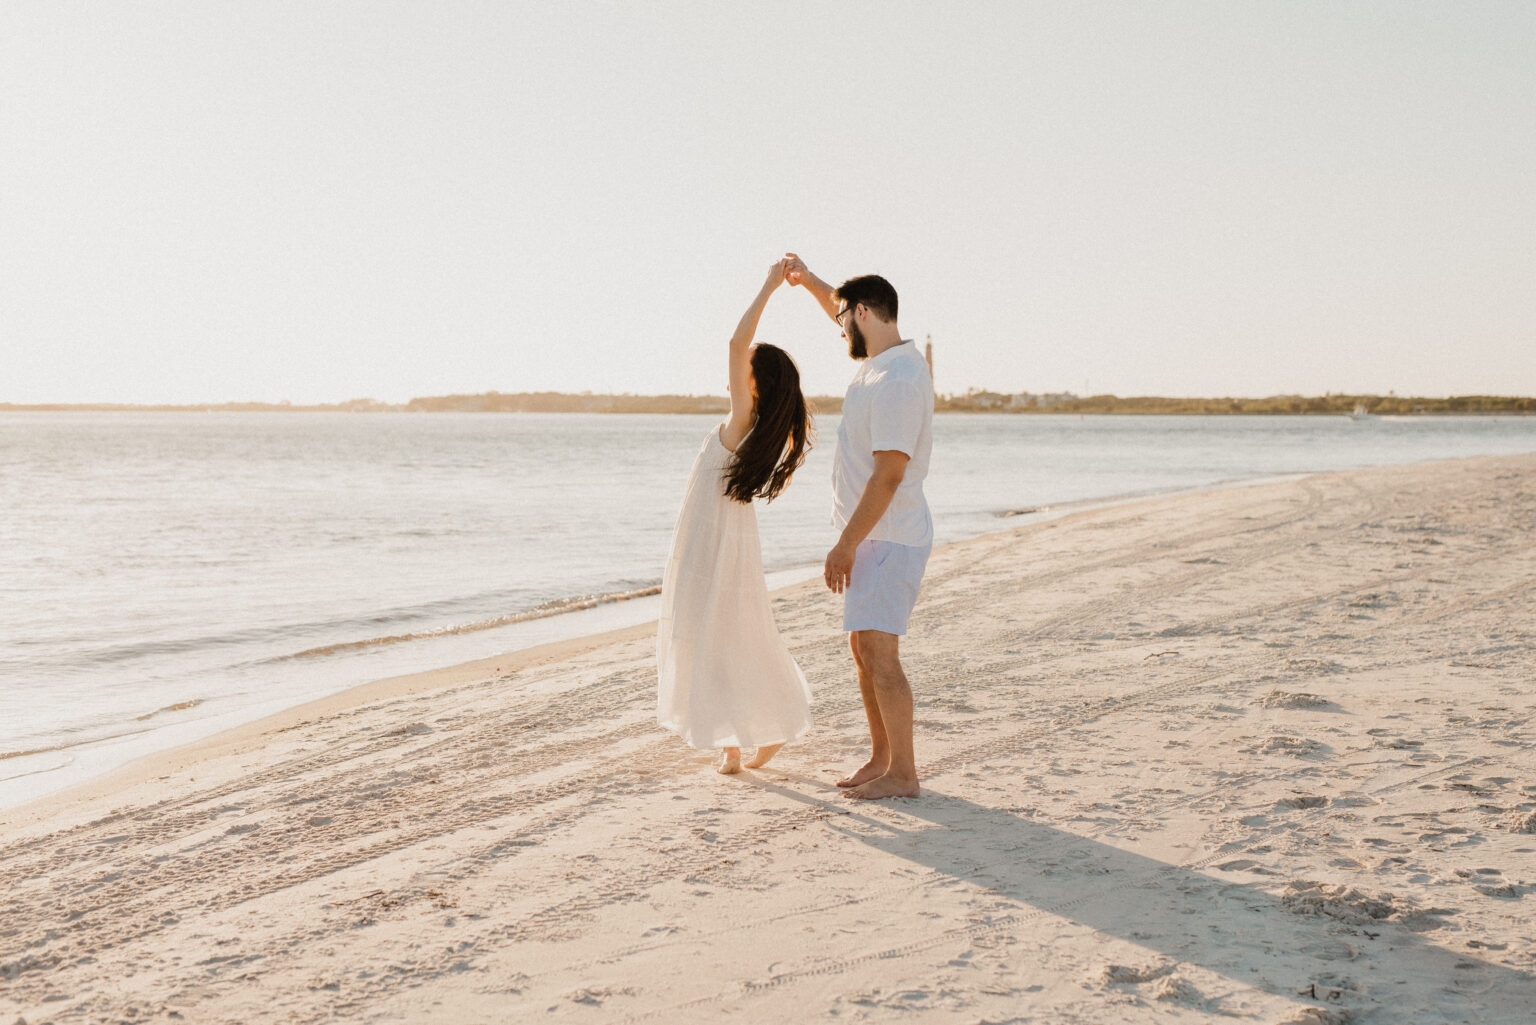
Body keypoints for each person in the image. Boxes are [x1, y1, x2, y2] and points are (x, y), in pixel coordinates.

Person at [783, 253, 933, 800]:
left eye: (845, 316)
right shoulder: (880, 361)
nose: (839, 324)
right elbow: (836, 306)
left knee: (881, 653)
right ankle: (882, 757)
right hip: (876, 536)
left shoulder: (898, 380)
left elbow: (891, 473)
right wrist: (806, 282)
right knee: (863, 650)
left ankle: (904, 774)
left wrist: (845, 545)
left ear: (864, 313)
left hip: (888, 536)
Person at [656, 258, 815, 775]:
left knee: (716, 633)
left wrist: (769, 285)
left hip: (713, 546)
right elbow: (737, 350)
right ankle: (733, 741)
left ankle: (758, 732)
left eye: (746, 366)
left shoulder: (745, 418)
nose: (734, 368)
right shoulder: (757, 428)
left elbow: (733, 342)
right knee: (722, 634)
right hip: (724, 543)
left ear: (754, 382)